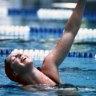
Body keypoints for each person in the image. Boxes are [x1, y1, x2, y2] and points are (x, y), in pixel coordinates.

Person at [4, 0, 87, 87]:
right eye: (14, 58)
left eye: (19, 53)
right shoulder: (21, 90)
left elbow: (70, 32)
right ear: (14, 73)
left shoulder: (49, 65)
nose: (20, 55)